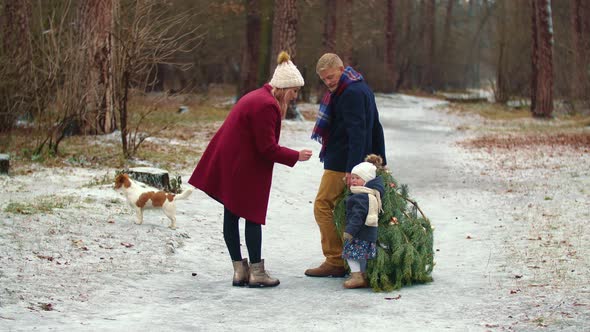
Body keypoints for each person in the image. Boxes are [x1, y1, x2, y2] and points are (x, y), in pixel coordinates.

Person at [188, 51, 312, 288]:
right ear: (285, 88)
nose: (296, 96)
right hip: (244, 166)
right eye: (294, 91)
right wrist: (296, 156)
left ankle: (239, 271)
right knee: (252, 216)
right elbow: (267, 148)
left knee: (232, 214)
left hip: (232, 162)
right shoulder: (267, 105)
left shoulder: (257, 97)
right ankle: (256, 272)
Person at [306, 53, 386, 278]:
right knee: (347, 209)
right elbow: (376, 127)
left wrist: (352, 171)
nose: (328, 83)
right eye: (324, 80)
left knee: (322, 205)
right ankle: (352, 260)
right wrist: (380, 161)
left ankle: (335, 260)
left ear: (341, 69)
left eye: (331, 77)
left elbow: (358, 133)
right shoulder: (361, 87)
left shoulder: (349, 93)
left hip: (342, 163)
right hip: (356, 161)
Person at [341, 155, 384, 289]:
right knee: (363, 256)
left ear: (366, 180)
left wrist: (350, 231)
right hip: (368, 233)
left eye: (357, 178)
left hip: (359, 234)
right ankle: (363, 275)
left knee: (350, 254)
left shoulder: (361, 196)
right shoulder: (368, 193)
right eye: (352, 178)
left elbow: (357, 216)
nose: (353, 181)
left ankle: (356, 276)